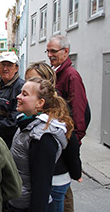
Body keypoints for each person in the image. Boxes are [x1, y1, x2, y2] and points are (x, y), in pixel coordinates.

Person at [9, 77, 73, 212]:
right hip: (19, 202)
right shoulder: (25, 124)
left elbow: (41, 187)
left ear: (40, 103)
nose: (18, 97)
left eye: (25, 94)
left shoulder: (43, 137)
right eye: (21, 92)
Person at [25, 62, 82, 212]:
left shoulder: (58, 112)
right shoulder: (27, 108)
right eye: (27, 80)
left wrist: (76, 170)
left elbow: (72, 141)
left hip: (56, 178)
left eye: (34, 80)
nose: (29, 84)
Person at [46, 35, 91, 212]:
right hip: (61, 140)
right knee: (60, 188)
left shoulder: (71, 76)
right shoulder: (57, 73)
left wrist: (73, 143)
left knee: (62, 191)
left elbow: (78, 112)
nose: (49, 55)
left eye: (53, 51)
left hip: (65, 142)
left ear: (66, 52)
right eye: (48, 51)